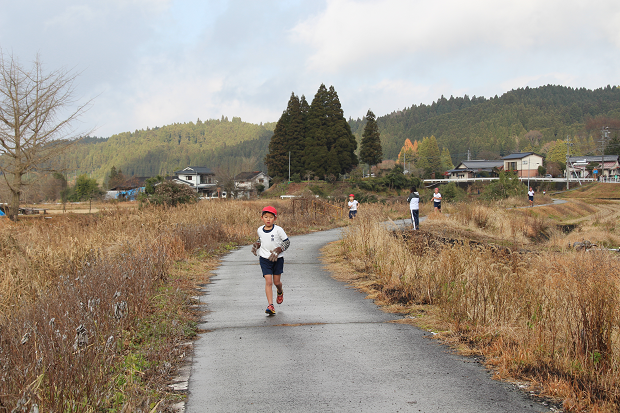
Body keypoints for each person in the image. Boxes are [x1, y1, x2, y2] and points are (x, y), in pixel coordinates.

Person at [251, 206, 290, 315]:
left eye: (271, 217)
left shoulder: (279, 230)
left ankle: (280, 291)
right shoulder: (260, 229)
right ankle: (270, 305)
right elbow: (261, 239)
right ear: (262, 218)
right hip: (264, 258)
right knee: (268, 282)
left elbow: (287, 242)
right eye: (266, 217)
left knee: (276, 282)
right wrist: (256, 245)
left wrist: (279, 250)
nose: (268, 219)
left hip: (277, 259)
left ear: (275, 219)